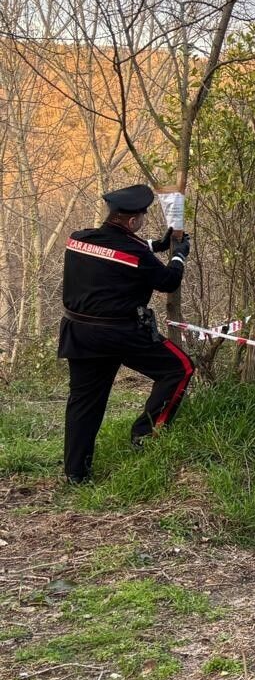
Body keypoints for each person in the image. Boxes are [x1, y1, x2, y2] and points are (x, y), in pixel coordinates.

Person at [59, 184, 194, 484]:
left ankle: (75, 474)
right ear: (132, 221)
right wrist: (179, 255)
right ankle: (145, 435)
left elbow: (115, 250)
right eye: (142, 216)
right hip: (119, 334)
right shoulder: (134, 253)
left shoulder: (78, 240)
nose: (144, 219)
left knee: (84, 402)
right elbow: (169, 281)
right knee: (180, 368)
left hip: (78, 333)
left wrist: (156, 246)